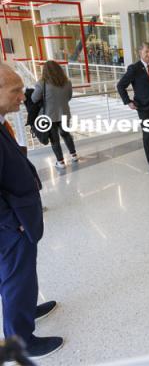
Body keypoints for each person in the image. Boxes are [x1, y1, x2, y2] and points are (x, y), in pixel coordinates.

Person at [0, 64, 63, 359]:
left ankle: (25, 311)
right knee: (15, 278)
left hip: (19, 217)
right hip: (11, 225)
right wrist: (13, 224)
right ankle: (20, 342)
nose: (22, 96)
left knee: (21, 275)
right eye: (15, 91)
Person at [117, 42, 149, 173]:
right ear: (140, 53)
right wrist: (128, 101)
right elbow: (120, 86)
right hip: (144, 107)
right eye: (146, 52)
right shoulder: (134, 68)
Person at [32, 60, 78, 170]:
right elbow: (69, 97)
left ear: (45, 71)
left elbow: (34, 99)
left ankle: (60, 162)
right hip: (64, 113)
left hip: (49, 116)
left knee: (54, 139)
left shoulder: (41, 84)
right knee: (66, 134)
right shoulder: (67, 82)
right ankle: (74, 155)